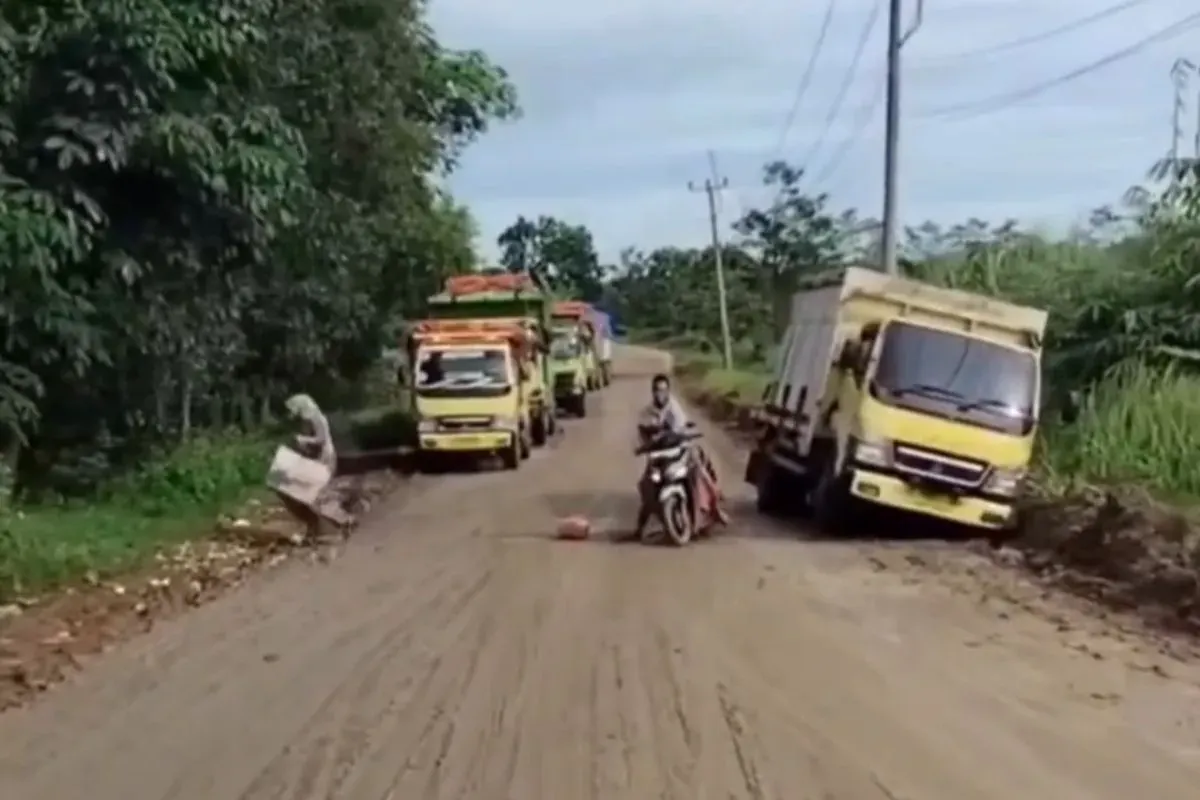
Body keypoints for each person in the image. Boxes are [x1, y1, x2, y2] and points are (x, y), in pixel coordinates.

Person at [631, 374, 725, 539]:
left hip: (678, 451)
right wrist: (640, 446)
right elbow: (639, 436)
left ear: (668, 391)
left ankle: (715, 506)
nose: (660, 394)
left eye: (663, 390)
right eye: (657, 390)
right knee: (647, 486)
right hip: (658, 456)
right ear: (652, 392)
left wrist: (683, 433)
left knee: (699, 473)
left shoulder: (674, 408)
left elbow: (681, 427)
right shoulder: (646, 412)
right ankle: (639, 529)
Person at [286, 393, 336, 473]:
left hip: (324, 457)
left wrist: (303, 439)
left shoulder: (319, 419)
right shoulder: (306, 421)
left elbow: (321, 439)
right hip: (314, 457)